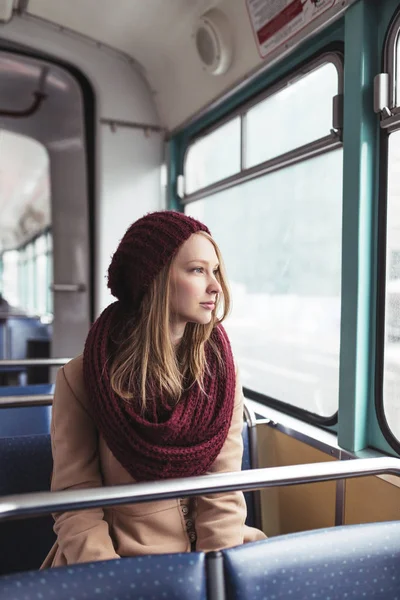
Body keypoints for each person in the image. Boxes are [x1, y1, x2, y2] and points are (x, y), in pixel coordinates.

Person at [42, 210, 266, 568]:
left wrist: (215, 572)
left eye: (215, 271)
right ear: (154, 279)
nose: (215, 286)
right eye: (197, 270)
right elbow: (76, 502)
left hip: (215, 550)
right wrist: (116, 580)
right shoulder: (82, 378)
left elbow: (222, 487)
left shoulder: (222, 371)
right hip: (117, 561)